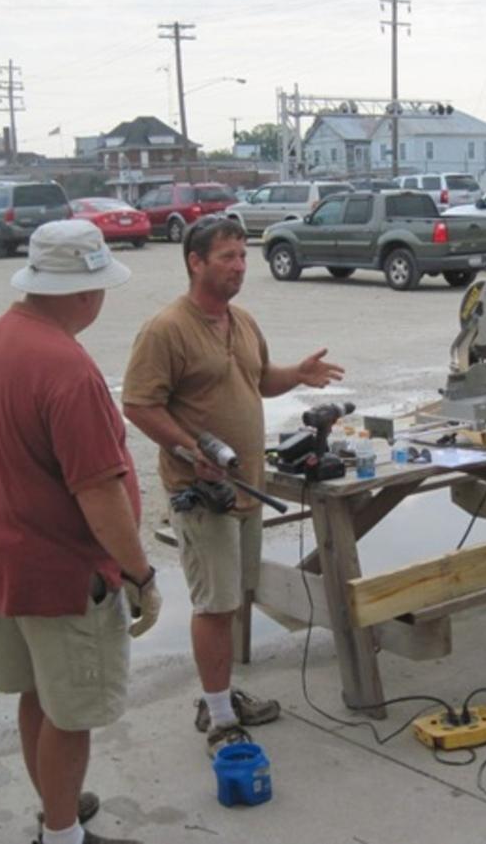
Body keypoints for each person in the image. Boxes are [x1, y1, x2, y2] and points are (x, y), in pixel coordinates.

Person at [0, 220, 162, 844]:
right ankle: (63, 832)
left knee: (38, 697)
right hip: (60, 573)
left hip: (0, 562)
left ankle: (57, 803)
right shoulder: (68, 369)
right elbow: (98, 490)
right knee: (71, 713)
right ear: (83, 291)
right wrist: (140, 574)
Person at [122, 216, 344, 758]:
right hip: (202, 496)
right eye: (228, 257)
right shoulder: (166, 329)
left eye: (244, 256)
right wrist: (189, 451)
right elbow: (138, 404)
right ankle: (219, 715)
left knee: (233, 597)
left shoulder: (240, 320)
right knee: (215, 606)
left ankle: (220, 697)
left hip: (246, 487)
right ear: (195, 262)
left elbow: (257, 378)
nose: (240, 267)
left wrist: (297, 374)